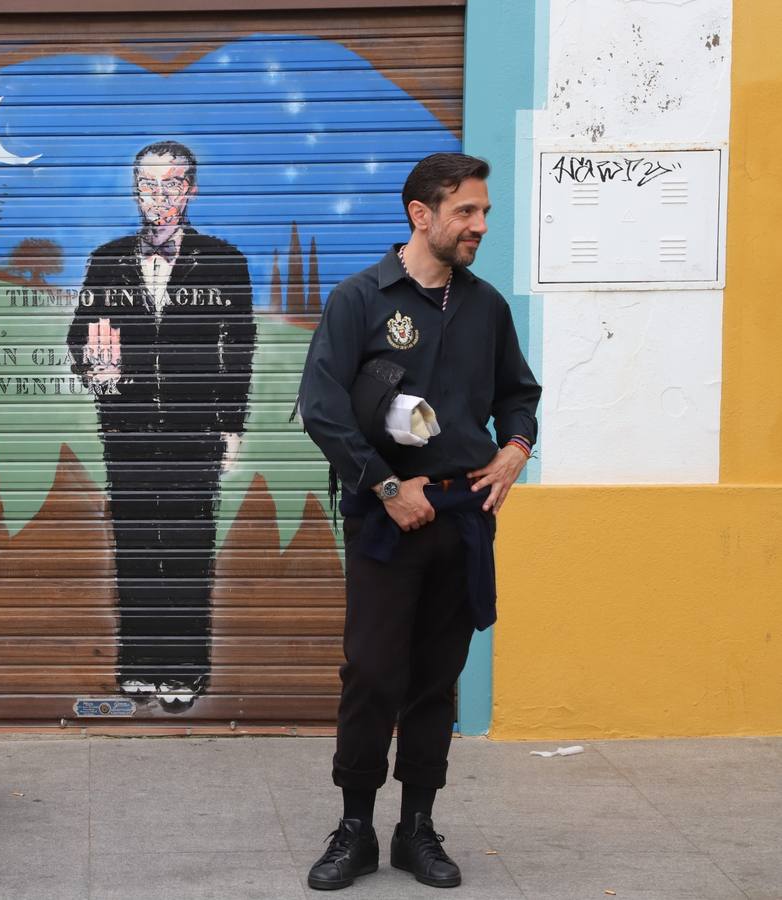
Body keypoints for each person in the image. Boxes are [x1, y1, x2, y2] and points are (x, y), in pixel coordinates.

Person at [295, 153, 540, 891]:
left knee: (437, 680)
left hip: (463, 517)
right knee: (372, 673)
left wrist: (516, 450)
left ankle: (417, 828)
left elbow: (517, 393)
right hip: (384, 519)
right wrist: (386, 485)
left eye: (485, 212)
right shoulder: (361, 300)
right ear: (420, 214)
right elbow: (322, 408)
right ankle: (356, 828)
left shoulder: (487, 306)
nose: (480, 225)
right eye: (467, 211)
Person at [66, 140, 255, 711]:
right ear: (135, 190)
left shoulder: (223, 259)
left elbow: (239, 348)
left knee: (189, 546)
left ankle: (185, 672)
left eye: (171, 184)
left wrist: (231, 426)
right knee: (136, 547)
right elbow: (80, 335)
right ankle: (139, 669)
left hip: (194, 430)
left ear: (190, 190)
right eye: (148, 185)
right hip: (125, 429)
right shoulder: (107, 259)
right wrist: (94, 369)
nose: (159, 196)